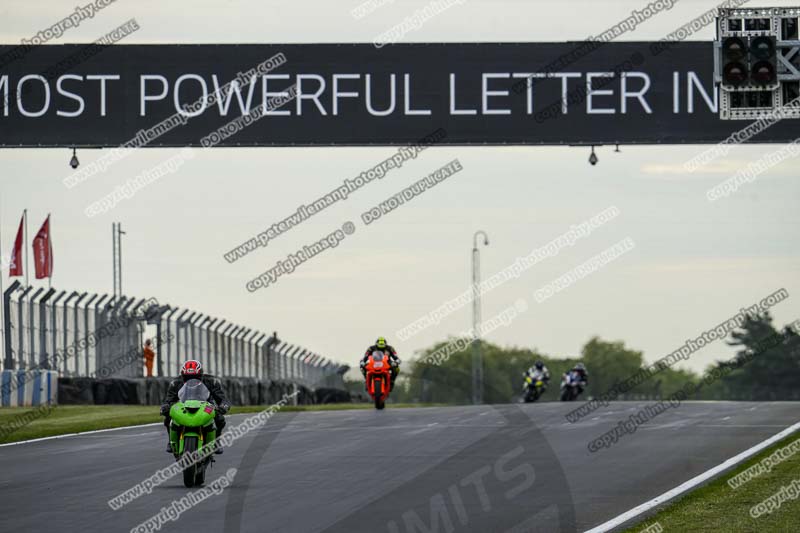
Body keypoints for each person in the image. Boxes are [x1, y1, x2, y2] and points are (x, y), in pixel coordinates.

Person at [160, 360, 230, 454]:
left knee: (220, 419)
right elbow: (168, 399)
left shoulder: (212, 382)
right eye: (188, 377)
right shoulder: (175, 383)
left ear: (201, 375)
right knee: (168, 417)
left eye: (195, 377)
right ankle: (171, 441)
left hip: (206, 405)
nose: (191, 380)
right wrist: (165, 406)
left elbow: (222, 398)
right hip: (183, 405)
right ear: (183, 376)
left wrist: (223, 406)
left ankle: (216, 441)